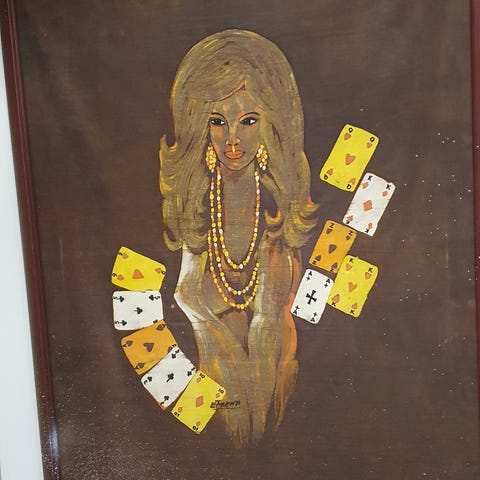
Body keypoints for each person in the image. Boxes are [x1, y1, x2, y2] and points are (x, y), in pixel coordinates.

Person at [159, 29, 317, 447]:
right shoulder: (193, 209)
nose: (232, 139)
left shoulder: (280, 217)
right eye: (218, 121)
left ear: (272, 122)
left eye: (248, 120)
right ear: (200, 124)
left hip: (279, 426)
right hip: (203, 434)